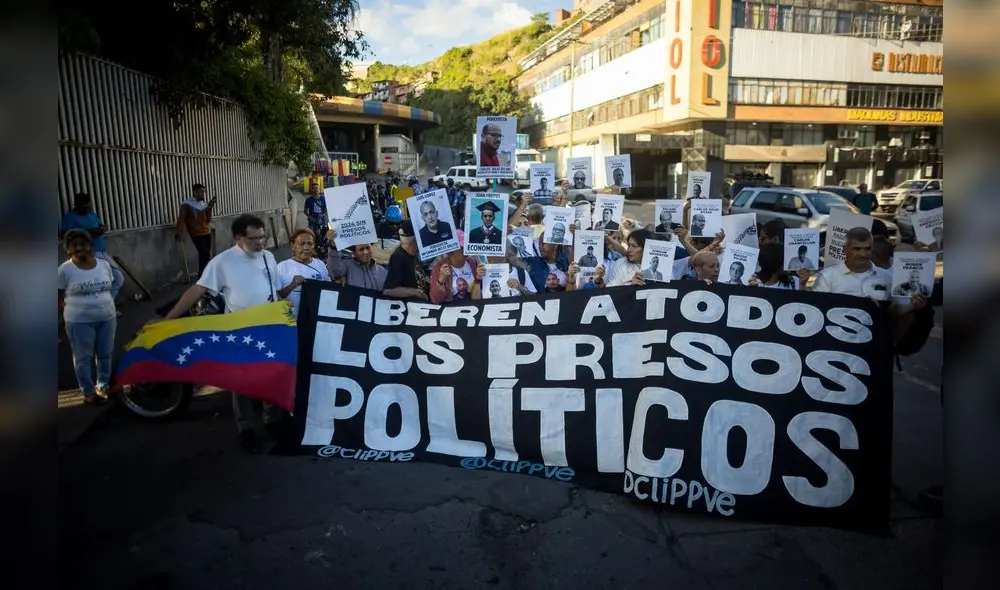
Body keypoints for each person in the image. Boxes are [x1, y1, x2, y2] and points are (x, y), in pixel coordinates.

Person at [152, 214, 284, 453]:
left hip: (269, 328)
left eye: (263, 237)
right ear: (238, 238)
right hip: (240, 331)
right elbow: (197, 290)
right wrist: (168, 319)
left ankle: (272, 421)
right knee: (243, 382)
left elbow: (274, 289)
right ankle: (246, 428)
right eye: (254, 239)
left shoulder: (269, 257)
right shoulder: (222, 262)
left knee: (271, 376)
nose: (261, 243)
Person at [58, 230, 118, 405]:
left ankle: (103, 386)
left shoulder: (104, 265)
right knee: (83, 357)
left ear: (90, 246)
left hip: (107, 317)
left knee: (105, 354)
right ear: (68, 249)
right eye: (74, 245)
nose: (79, 248)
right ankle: (88, 391)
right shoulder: (65, 269)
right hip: (79, 321)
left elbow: (110, 284)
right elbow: (57, 293)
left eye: (82, 244)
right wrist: (65, 312)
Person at [59, 192, 125, 299]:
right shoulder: (70, 217)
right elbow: (64, 235)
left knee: (117, 279)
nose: (86, 209)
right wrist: (89, 232)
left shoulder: (91, 214)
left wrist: (103, 228)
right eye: (84, 207)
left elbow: (100, 224)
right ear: (77, 205)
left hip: (102, 252)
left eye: (88, 206)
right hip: (88, 255)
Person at [812, 227, 892, 299]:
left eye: (867, 249)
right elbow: (818, 307)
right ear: (845, 249)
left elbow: (895, 310)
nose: (862, 254)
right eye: (857, 249)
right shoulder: (827, 277)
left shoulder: (887, 277)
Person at [276, 228, 331, 316]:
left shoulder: (320, 264)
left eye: (310, 243)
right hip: (293, 320)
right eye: (301, 244)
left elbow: (328, 290)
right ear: (293, 246)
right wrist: (292, 286)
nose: (306, 247)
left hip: (316, 318)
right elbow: (277, 296)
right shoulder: (282, 267)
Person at [175, 183, 217, 278]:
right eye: (201, 192)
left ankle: (205, 275)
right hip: (196, 233)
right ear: (195, 192)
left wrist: (210, 207)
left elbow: (208, 220)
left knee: (205, 255)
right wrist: (179, 231)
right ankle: (202, 277)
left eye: (204, 192)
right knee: (204, 254)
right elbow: (181, 219)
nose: (203, 194)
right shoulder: (186, 204)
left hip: (207, 232)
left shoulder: (203, 204)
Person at [383, 220, 431, 300]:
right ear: (414, 238)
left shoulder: (414, 255)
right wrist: (415, 292)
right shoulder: (398, 258)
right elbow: (388, 290)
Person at [303, 182, 330, 260]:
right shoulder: (308, 200)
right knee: (311, 235)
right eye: (314, 188)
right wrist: (309, 216)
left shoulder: (323, 199)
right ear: (312, 189)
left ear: (319, 189)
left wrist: (323, 215)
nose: (315, 189)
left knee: (320, 234)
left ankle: (321, 250)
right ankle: (312, 250)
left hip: (321, 220)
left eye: (317, 188)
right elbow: (305, 211)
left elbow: (326, 209)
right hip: (312, 220)